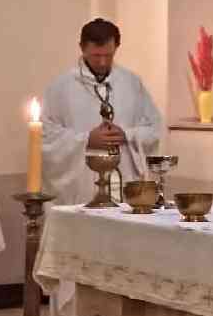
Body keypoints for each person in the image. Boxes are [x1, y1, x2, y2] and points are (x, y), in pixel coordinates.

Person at [41, 18, 166, 204]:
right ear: (82, 48)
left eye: (108, 56)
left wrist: (127, 135)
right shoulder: (61, 87)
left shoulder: (131, 83)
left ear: (117, 47)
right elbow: (46, 136)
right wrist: (86, 139)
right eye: (96, 56)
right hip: (81, 188)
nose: (101, 62)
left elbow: (154, 128)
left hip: (124, 185)